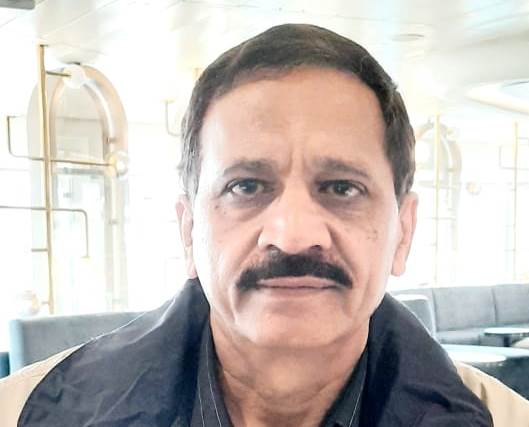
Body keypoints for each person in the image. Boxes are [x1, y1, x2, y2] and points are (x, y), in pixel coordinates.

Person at [2, 23, 522, 426]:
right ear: (189, 232)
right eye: (246, 186)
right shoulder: (25, 413)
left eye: (342, 188)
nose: (293, 235)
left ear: (402, 232)